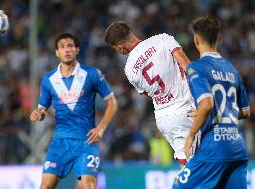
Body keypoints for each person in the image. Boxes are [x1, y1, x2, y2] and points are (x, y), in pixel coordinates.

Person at [104, 21, 199, 168]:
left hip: (164, 118)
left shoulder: (129, 70)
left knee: (188, 165)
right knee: (202, 165)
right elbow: (187, 65)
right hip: (186, 108)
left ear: (120, 46)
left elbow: (149, 94)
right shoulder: (162, 39)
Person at [30, 33, 118, 189]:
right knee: (45, 187)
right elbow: (42, 109)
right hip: (60, 142)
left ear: (77, 50)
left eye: (70, 46)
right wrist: (38, 114)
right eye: (62, 47)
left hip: (87, 142)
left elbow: (112, 102)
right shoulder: (48, 79)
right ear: (57, 52)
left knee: (88, 186)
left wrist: (101, 128)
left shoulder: (91, 74)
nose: (66, 50)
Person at [173, 16, 250, 189]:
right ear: (220, 38)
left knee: (179, 185)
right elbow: (246, 112)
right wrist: (219, 112)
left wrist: (190, 136)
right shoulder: (231, 68)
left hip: (213, 149)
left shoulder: (196, 68)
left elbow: (207, 103)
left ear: (196, 39)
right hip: (237, 148)